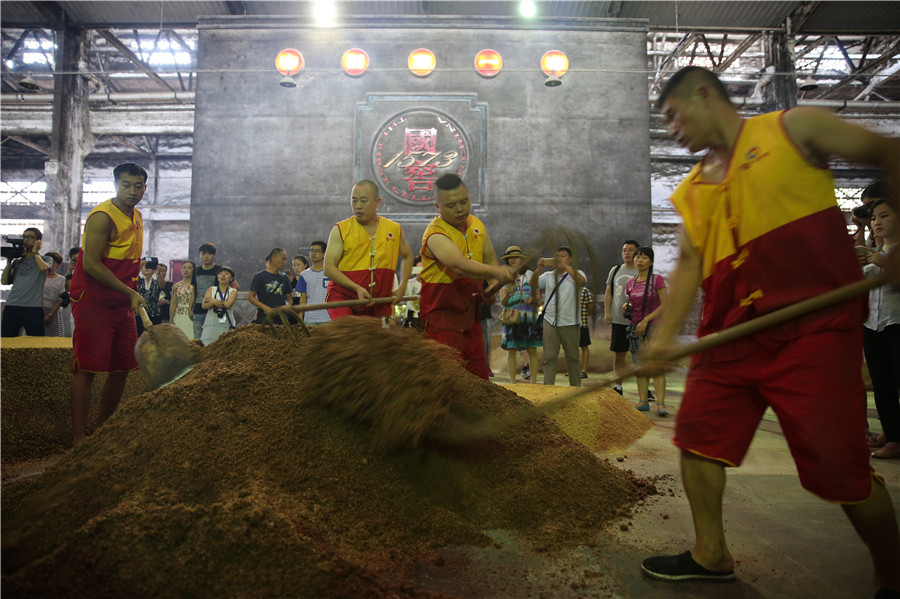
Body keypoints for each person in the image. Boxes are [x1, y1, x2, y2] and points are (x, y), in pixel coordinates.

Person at [639, 66, 900, 596]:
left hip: (814, 332)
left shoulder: (793, 128)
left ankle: (893, 575)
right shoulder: (693, 189)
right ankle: (709, 552)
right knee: (699, 436)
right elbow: (690, 262)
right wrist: (665, 336)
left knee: (840, 469)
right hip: (731, 335)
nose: (671, 130)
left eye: (672, 115)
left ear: (704, 95)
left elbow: (885, 151)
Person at [69, 162, 148, 447]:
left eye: (138, 186)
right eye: (126, 185)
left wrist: (130, 293)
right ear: (115, 184)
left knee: (122, 367)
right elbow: (90, 264)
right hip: (93, 300)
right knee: (87, 367)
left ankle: (102, 431)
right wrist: (128, 292)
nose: (132, 191)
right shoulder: (102, 216)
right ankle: (79, 439)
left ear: (145, 188)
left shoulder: (137, 216)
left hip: (122, 301)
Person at [419, 173, 513, 379]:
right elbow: (459, 266)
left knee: (479, 381)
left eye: (464, 201)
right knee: (449, 383)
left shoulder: (477, 225)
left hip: (471, 320)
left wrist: (493, 287)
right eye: (451, 205)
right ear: (438, 207)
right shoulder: (435, 234)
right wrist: (498, 272)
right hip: (441, 323)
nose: (460, 209)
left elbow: (489, 259)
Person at [324, 180, 413, 319]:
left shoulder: (394, 229)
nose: (357, 206)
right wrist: (357, 288)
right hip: (343, 298)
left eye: (363, 201)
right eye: (354, 201)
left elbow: (407, 256)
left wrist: (402, 287)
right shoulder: (340, 229)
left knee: (375, 339)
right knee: (350, 335)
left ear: (377, 202)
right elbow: (328, 268)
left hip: (377, 303)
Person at [862, 196, 900, 460]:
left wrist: (883, 262)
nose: (877, 222)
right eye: (874, 218)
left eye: (885, 216)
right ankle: (892, 435)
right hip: (872, 325)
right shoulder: (874, 252)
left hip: (896, 323)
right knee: (882, 384)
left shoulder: (886, 255)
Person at [530, 246, 586, 387]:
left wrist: (566, 267)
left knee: (572, 358)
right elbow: (532, 283)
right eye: (557, 256)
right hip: (550, 320)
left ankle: (575, 389)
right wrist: (538, 269)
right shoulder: (548, 276)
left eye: (563, 256)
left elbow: (582, 282)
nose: (559, 259)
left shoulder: (576, 273)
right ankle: (548, 389)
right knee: (549, 357)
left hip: (570, 321)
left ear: (570, 258)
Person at [623, 246, 668, 414]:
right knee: (639, 365)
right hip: (636, 328)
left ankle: (661, 403)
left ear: (651, 262)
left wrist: (646, 320)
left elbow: (665, 304)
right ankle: (643, 401)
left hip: (654, 326)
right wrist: (626, 306)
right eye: (637, 257)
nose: (639, 260)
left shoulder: (657, 280)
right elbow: (633, 303)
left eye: (644, 258)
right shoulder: (631, 282)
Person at [499, 246, 541, 383]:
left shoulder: (529, 275)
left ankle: (534, 382)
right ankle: (513, 382)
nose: (513, 260)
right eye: (510, 258)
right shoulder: (505, 277)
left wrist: (533, 300)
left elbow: (538, 298)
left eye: (516, 257)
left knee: (532, 348)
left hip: (528, 317)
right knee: (511, 349)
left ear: (521, 259)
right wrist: (508, 292)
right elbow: (503, 302)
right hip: (511, 317)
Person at [604, 240, 640, 395]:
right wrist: (607, 312)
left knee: (640, 355)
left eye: (631, 250)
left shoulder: (642, 270)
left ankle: (644, 389)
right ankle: (618, 386)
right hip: (619, 320)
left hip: (638, 321)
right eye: (624, 250)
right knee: (619, 354)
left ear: (637, 253)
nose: (627, 253)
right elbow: (608, 292)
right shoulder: (615, 270)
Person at [1, 227, 52, 337]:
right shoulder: (18, 262)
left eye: (30, 237)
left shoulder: (46, 259)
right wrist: (9, 262)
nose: (26, 239)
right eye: (24, 236)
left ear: (38, 241)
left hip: (33, 307)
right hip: (12, 305)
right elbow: (4, 281)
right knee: (7, 342)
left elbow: (43, 268)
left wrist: (35, 252)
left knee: (36, 344)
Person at [248, 248, 293, 322]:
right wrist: (265, 308)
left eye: (285, 260)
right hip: (263, 318)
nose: (284, 262)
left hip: (281, 319)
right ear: (273, 257)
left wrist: (286, 306)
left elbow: (290, 299)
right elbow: (250, 297)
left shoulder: (285, 278)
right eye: (283, 259)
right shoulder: (259, 276)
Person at [296, 241, 331, 325]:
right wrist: (300, 318)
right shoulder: (304, 275)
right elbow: (303, 299)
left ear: (324, 254)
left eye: (317, 251)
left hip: (328, 319)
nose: (313, 253)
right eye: (311, 250)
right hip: (310, 320)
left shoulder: (331, 273)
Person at [200, 266, 238, 344]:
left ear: (231, 279)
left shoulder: (233, 291)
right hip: (211, 321)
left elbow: (228, 305)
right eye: (220, 274)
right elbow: (204, 305)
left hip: (226, 321)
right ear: (218, 277)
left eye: (226, 274)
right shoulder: (211, 289)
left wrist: (211, 300)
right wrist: (214, 302)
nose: (223, 275)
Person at [42, 252, 67, 337]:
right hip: (37, 310)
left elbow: (60, 299)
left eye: (52, 262)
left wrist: (51, 314)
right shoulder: (39, 277)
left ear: (58, 264)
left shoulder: (61, 279)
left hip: (51, 311)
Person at [135, 258, 160, 335]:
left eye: (149, 265)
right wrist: (139, 266)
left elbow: (163, 285)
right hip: (139, 313)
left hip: (154, 313)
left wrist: (158, 272)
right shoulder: (138, 280)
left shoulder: (157, 281)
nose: (146, 268)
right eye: (144, 266)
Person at [172, 260, 196, 339]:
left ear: (193, 270)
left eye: (189, 268)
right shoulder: (176, 286)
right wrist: (171, 319)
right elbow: (173, 303)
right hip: (178, 315)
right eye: (184, 268)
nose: (186, 270)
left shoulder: (195, 286)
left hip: (191, 315)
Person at [578, 285, 593, 379]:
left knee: (584, 346)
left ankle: (584, 370)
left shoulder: (584, 291)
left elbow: (590, 306)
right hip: (569, 324)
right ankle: (573, 369)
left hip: (582, 323)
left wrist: (586, 316)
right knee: (571, 348)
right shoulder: (566, 289)